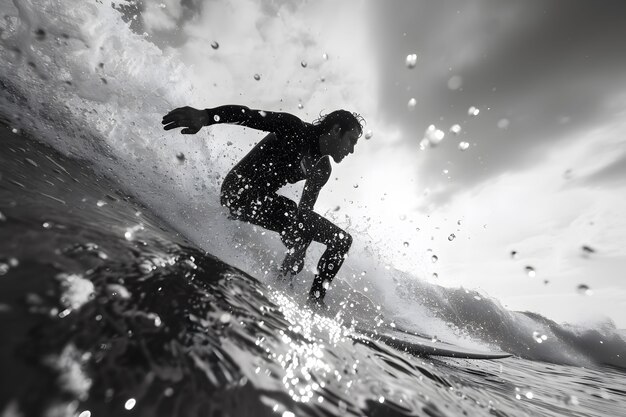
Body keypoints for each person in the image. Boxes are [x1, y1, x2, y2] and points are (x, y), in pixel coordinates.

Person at [162, 105, 364, 306]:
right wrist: (205, 116)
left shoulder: (321, 170)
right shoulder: (295, 129)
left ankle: (302, 294)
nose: (352, 150)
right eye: (351, 141)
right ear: (337, 130)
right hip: (236, 192)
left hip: (263, 201)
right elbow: (248, 116)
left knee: (340, 241)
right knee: (295, 215)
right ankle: (301, 291)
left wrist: (296, 249)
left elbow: (304, 215)